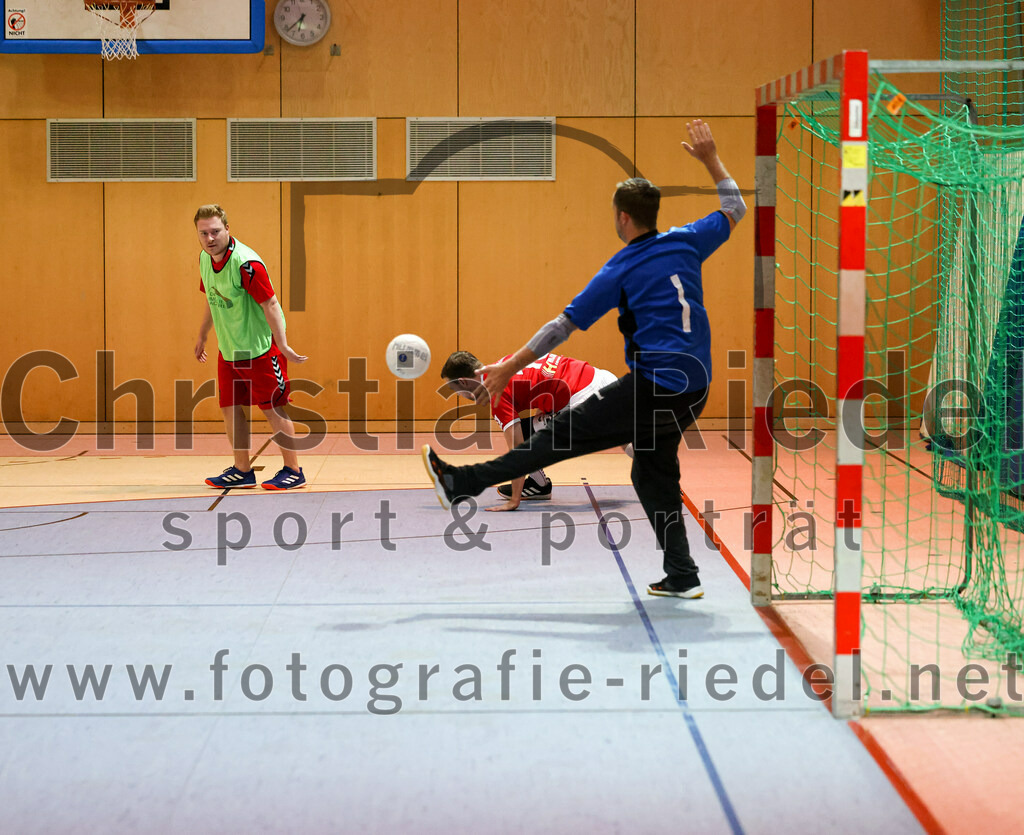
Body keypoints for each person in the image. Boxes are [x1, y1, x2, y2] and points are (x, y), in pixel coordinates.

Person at [423, 119, 745, 598]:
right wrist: (711, 157)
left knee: (555, 439)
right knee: (652, 471)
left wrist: (509, 365)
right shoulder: (687, 239)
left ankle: (462, 482)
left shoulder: (621, 268)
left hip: (656, 385)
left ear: (622, 218)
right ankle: (682, 574)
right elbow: (735, 206)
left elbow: (560, 327)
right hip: (696, 387)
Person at [193, 204, 309, 490]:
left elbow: (270, 303)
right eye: (204, 233)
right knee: (230, 409)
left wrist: (281, 344)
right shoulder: (205, 260)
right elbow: (212, 297)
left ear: (228, 229)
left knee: (274, 409)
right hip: (229, 350)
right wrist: (203, 335)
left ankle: (293, 470)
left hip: (259, 350)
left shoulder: (246, 264)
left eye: (215, 231)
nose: (210, 238)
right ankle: (242, 470)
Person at [440, 350, 631, 511]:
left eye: (457, 391)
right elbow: (546, 386)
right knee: (626, 436)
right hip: (602, 378)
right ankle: (538, 485)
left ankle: (538, 485)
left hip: (584, 399)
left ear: (464, 382)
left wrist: (513, 501)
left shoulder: (494, 391)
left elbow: (517, 450)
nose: (461, 396)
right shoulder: (504, 364)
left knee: (525, 436)